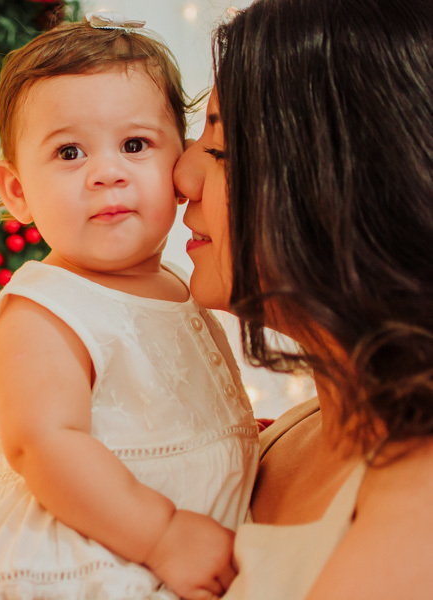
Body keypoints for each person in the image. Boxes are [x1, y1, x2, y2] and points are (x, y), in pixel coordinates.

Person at [0, 13, 258, 600]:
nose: (107, 173)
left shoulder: (183, 283)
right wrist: (161, 535)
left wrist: (229, 438)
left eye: (135, 145)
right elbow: (45, 444)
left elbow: (159, 412)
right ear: (18, 191)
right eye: (70, 152)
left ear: (180, 162)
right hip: (80, 561)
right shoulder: (45, 309)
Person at [172, 0, 433, 598]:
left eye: (218, 145)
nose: (182, 174)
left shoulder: (418, 497)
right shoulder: (285, 433)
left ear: (338, 176)